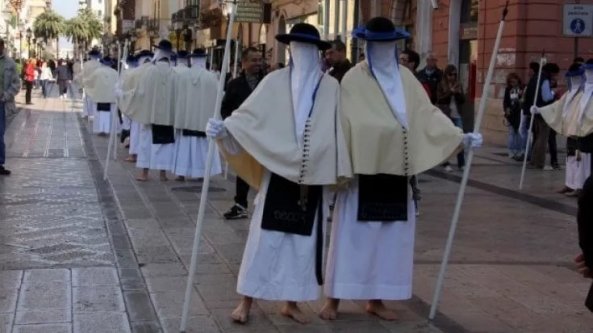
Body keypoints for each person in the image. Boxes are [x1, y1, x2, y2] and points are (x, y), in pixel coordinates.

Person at [320, 17, 481, 321]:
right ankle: (334, 297)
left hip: (397, 171)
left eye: (387, 45)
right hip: (362, 172)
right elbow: (342, 122)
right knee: (351, 238)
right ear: (367, 46)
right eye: (375, 45)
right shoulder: (354, 79)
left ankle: (376, 298)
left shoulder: (406, 78)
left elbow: (426, 114)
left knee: (389, 241)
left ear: (394, 45)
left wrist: (459, 138)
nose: (381, 51)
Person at [207, 23, 351, 324]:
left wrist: (338, 167)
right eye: (296, 47)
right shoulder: (273, 82)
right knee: (264, 239)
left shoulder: (330, 88)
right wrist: (225, 129)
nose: (302, 53)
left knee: (303, 245)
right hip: (277, 174)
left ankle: (292, 302)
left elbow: (338, 129)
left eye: (308, 48)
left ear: (318, 52)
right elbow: (250, 117)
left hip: (313, 176)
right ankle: (246, 301)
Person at [533, 62, 592, 195]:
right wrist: (539, 110)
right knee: (570, 158)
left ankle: (581, 187)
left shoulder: (585, 93)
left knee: (582, 161)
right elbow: (558, 106)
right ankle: (570, 184)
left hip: (584, 132)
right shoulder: (570, 93)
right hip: (572, 131)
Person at [220, 47, 263, 220]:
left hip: (263, 132)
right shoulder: (235, 84)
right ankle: (241, 204)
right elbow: (225, 108)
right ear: (243, 63)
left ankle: (265, 202)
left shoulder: (267, 82)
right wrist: (232, 124)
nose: (258, 64)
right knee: (244, 168)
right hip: (243, 134)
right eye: (253, 60)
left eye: (260, 60)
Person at [126, 40, 177, 182]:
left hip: (149, 114)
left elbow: (141, 92)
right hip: (168, 116)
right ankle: (163, 174)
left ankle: (144, 173)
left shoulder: (149, 71)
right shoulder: (174, 73)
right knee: (165, 145)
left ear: (158, 53)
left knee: (146, 144)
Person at [170, 49, 222, 181]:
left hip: (186, 117)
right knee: (203, 147)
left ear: (191, 60)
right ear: (204, 60)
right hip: (204, 119)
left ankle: (181, 173)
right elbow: (218, 97)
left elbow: (176, 97)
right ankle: (202, 172)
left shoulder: (181, 77)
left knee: (184, 147)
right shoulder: (211, 77)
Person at [118, 50, 154, 164]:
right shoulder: (156, 71)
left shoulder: (133, 73)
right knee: (148, 134)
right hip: (152, 109)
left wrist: (120, 93)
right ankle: (148, 155)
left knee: (136, 132)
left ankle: (134, 154)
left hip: (137, 108)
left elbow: (126, 90)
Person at [525, 62, 560, 169]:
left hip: (534, 110)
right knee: (543, 138)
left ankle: (534, 160)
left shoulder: (535, 78)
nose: (555, 77)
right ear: (551, 72)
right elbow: (546, 97)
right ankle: (540, 162)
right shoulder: (544, 80)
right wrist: (554, 94)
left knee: (537, 137)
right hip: (543, 111)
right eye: (555, 74)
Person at [437, 64, 466, 171]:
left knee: (460, 139)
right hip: (446, 115)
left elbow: (463, 100)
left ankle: (461, 163)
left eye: (454, 74)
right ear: (446, 75)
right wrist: (450, 92)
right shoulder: (441, 85)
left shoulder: (458, 85)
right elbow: (440, 99)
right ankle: (446, 163)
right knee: (446, 139)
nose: (452, 77)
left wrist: (457, 93)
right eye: (450, 74)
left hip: (457, 115)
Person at [0, 39, 21, 176]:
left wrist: (6, 95)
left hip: (1, 103)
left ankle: (0, 163)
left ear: (2, 46)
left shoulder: (10, 63)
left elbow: (16, 84)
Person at [85, 56, 118, 136]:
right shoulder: (115, 72)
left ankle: (100, 129)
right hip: (111, 97)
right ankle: (108, 130)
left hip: (100, 96)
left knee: (99, 114)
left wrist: (83, 82)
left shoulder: (97, 72)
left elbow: (90, 81)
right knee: (110, 115)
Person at [503, 73, 524, 160]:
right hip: (511, 114)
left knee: (518, 133)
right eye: (511, 82)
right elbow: (506, 101)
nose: (513, 83)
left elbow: (521, 100)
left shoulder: (521, 89)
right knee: (512, 133)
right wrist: (506, 109)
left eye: (514, 81)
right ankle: (511, 151)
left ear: (517, 80)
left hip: (519, 113)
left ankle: (519, 151)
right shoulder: (508, 89)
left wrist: (520, 97)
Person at [81, 50, 102, 118]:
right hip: (97, 84)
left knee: (87, 99)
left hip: (88, 84)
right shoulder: (100, 64)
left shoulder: (86, 64)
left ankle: (86, 113)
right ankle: (95, 113)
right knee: (96, 99)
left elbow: (83, 74)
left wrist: (82, 84)